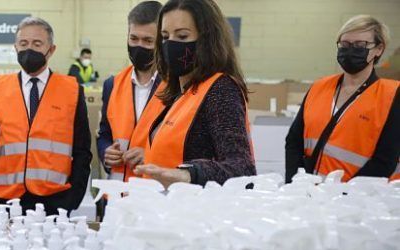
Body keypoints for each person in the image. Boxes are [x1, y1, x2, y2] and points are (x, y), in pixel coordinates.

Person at [0, 17, 92, 214]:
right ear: (15, 48)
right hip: (4, 199)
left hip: (54, 201)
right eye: (24, 43)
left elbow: (82, 151)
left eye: (37, 44)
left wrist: (72, 199)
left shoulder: (71, 90)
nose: (29, 49)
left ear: (51, 49)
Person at [134, 0, 255, 187]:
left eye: (182, 36)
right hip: (162, 210)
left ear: (207, 40)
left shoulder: (220, 89)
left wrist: (188, 174)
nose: (171, 45)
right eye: (165, 37)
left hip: (194, 211)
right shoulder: (178, 94)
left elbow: (242, 169)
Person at [285, 15, 399, 182]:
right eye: (344, 44)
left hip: (357, 200)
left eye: (360, 45)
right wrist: (294, 183)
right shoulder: (319, 87)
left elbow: (385, 160)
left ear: (379, 49)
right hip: (310, 197)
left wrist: (341, 195)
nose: (350, 50)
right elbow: (294, 141)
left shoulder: (392, 94)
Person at [98, 0, 166, 181]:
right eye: (134, 39)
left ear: (161, 41)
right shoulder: (112, 85)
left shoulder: (176, 87)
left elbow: (182, 144)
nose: (139, 46)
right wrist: (106, 151)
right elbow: (105, 133)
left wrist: (152, 155)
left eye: (148, 41)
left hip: (154, 193)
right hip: (116, 194)